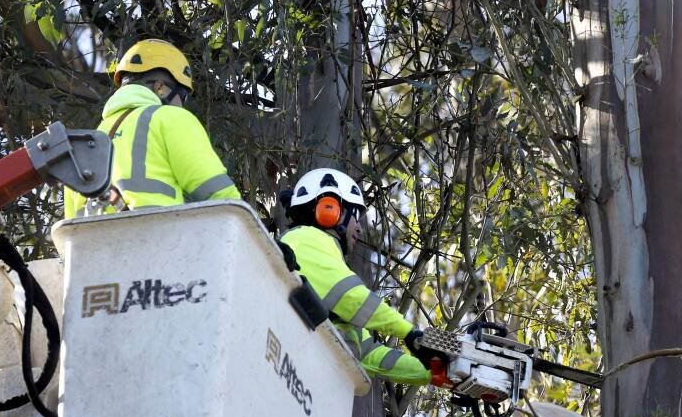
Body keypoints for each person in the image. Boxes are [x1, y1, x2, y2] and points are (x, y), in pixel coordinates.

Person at [279, 168, 437, 385]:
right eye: (356, 216)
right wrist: (409, 333)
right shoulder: (303, 238)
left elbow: (368, 354)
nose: (360, 229)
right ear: (330, 209)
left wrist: (434, 372)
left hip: (297, 376)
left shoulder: (326, 257)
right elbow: (351, 297)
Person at [63, 39, 241, 219]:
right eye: (183, 96)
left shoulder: (83, 145)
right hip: (161, 240)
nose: (183, 104)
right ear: (160, 88)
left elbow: (71, 228)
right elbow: (221, 196)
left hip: (95, 246)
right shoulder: (170, 119)